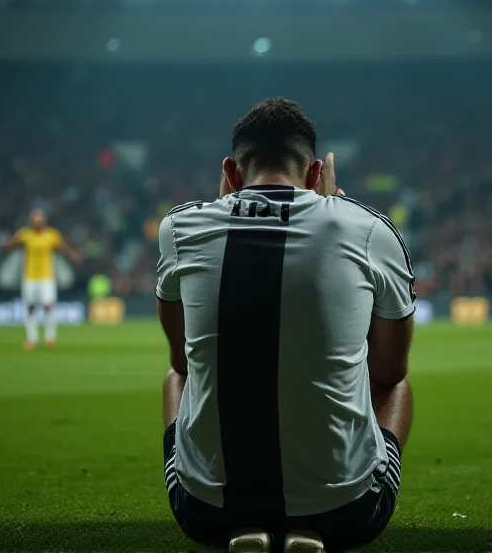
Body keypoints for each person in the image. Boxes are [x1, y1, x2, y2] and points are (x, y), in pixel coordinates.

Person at [157, 98, 415, 553]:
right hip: (347, 512)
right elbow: (389, 372)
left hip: (206, 513)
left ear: (231, 173)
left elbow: (182, 359)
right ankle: (312, 518)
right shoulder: (370, 230)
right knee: (398, 386)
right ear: (316, 174)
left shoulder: (179, 229)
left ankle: (246, 520)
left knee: (176, 376)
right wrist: (335, 208)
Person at [1, 209, 80, 350]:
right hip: (29, 277)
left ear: (44, 222)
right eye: (34, 221)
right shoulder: (25, 234)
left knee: (48, 306)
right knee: (30, 307)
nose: (37, 223)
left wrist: (73, 255)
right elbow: (11, 243)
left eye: (39, 220)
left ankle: (50, 337)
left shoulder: (52, 235)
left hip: (46, 277)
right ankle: (32, 339)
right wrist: (5, 247)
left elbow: (63, 247)